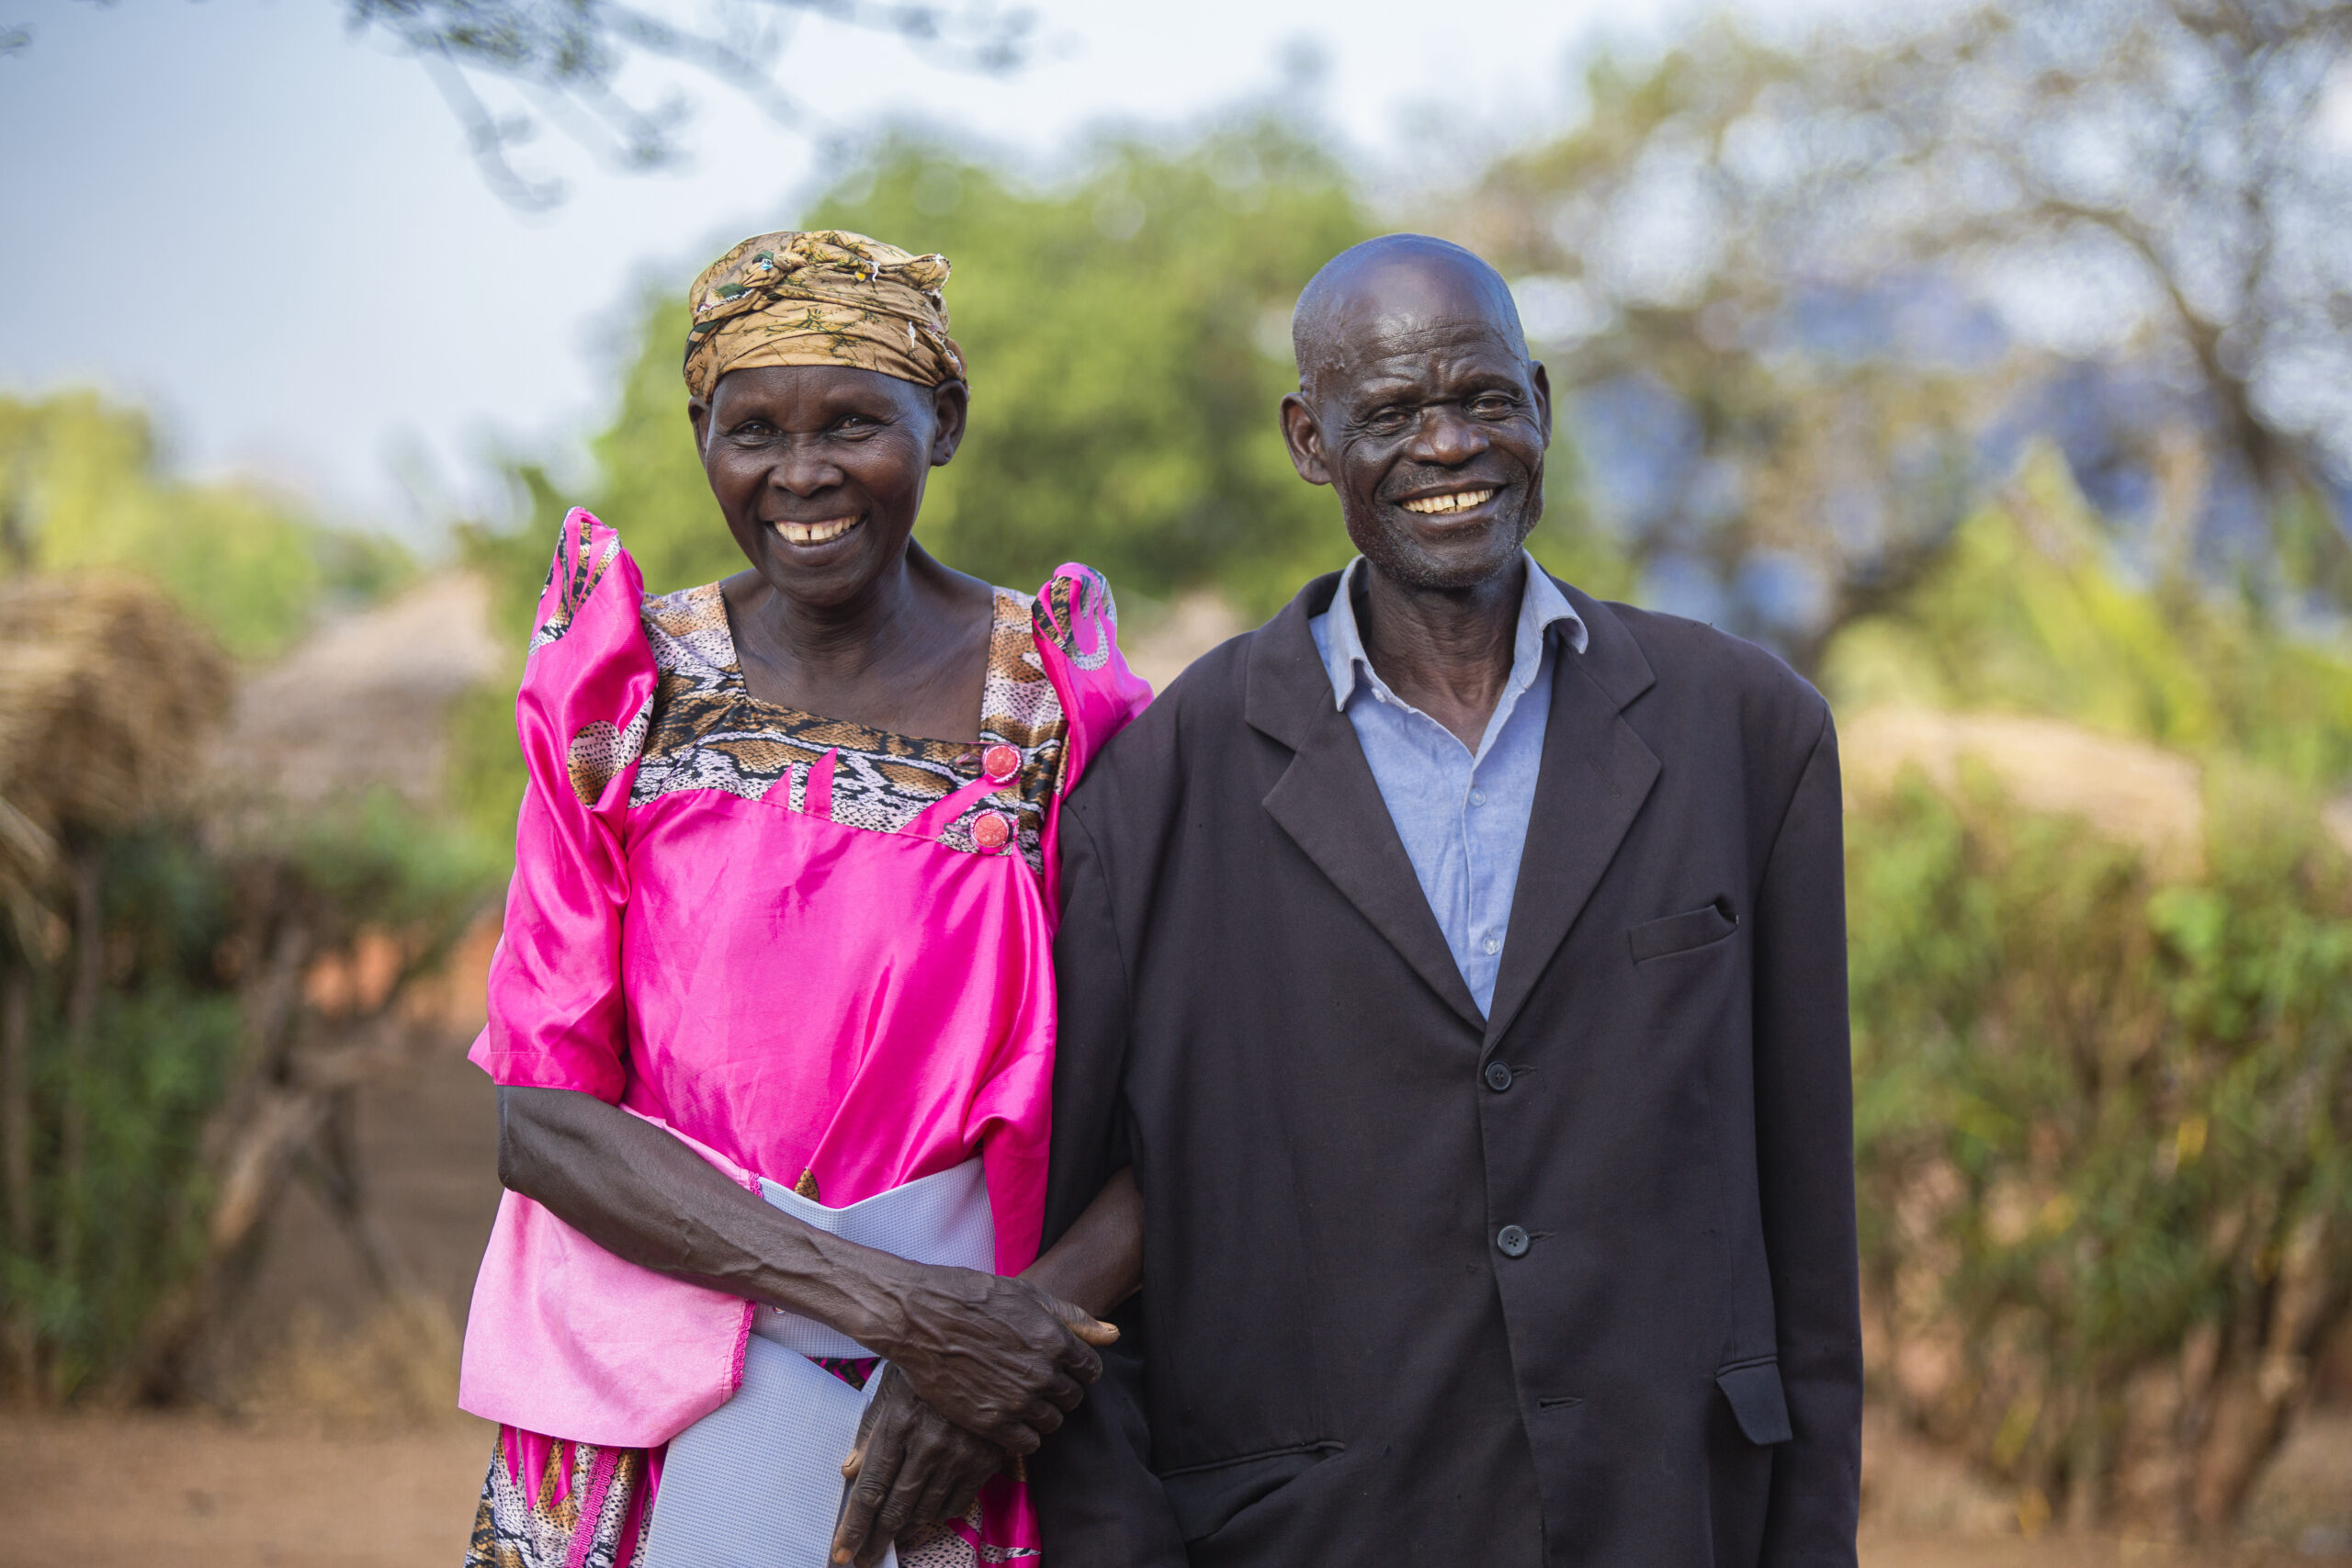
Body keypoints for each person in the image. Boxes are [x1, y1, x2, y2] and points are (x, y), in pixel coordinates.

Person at [1032, 234, 1862, 1565]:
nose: (1449, 446)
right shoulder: (1155, 792)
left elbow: (1810, 1222)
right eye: (1392, 414)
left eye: (1482, 400)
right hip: (1310, 1535)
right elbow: (1078, 1269)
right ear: (1310, 440)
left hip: (1672, 1514)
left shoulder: (1749, 732)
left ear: (1541, 402)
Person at [457, 229, 1151, 1568]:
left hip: (949, 1414)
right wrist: (898, 1309)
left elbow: (1183, 1087)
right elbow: (541, 1120)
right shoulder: (623, 697)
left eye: (855, 424)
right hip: (644, 1396)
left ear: (941, 425)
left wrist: (998, 1351)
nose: (801, 474)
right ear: (701, 436)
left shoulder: (1066, 707)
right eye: (751, 430)